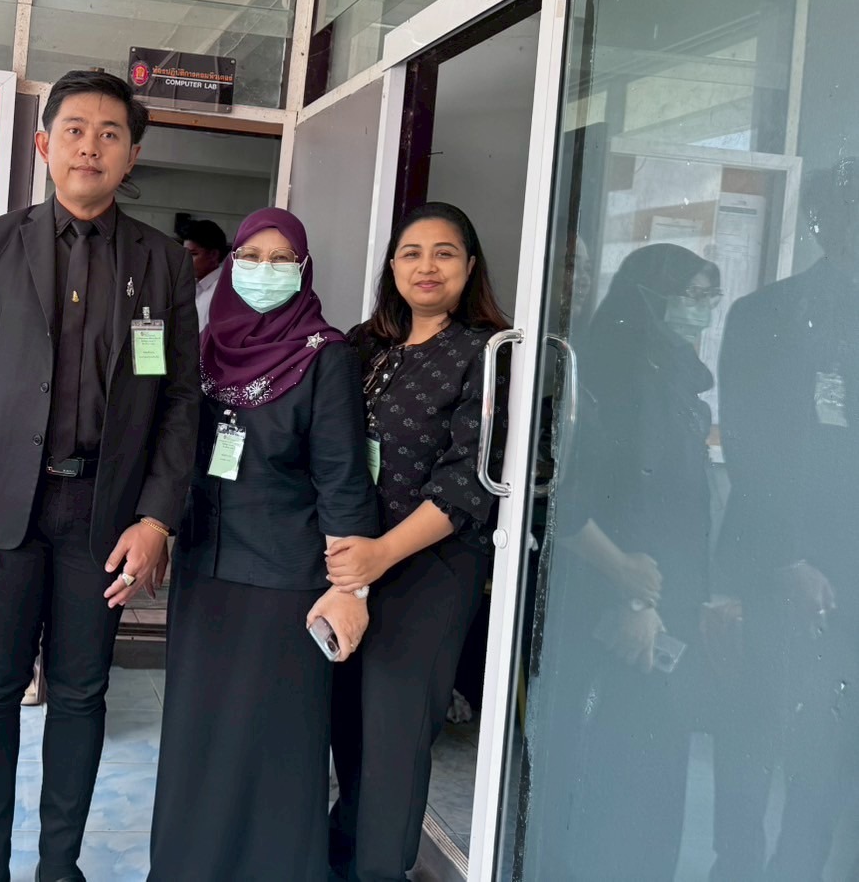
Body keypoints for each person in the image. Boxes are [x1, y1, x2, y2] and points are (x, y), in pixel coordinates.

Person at [0, 68, 200, 882]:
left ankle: (59, 866)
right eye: (74, 130)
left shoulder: (162, 262)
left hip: (104, 515)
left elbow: (179, 399)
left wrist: (156, 519)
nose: (90, 146)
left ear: (131, 155)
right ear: (44, 145)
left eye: (110, 134)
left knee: (81, 694)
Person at [148, 207, 376, 882]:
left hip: (285, 580)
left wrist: (350, 589)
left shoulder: (326, 357)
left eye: (281, 260)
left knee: (273, 743)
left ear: (303, 270)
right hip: (204, 571)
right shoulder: (203, 349)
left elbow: (342, 479)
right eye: (250, 257)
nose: (263, 271)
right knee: (198, 735)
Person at [522, 243, 720, 880]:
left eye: (709, 295)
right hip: (620, 601)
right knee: (613, 768)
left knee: (653, 768)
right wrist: (635, 597)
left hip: (666, 599)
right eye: (691, 294)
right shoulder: (616, 370)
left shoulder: (672, 370)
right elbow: (597, 493)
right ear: (650, 295)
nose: (702, 308)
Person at [325, 201, 508, 882]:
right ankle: (341, 857)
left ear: (470, 265)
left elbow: (469, 480)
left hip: (427, 569)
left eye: (444, 253)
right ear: (392, 267)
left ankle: (379, 870)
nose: (426, 266)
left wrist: (380, 554)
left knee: (395, 742)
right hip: (349, 568)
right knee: (346, 726)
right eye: (411, 252)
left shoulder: (488, 353)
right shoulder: (363, 346)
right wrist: (351, 560)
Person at [713, 160, 859, 881]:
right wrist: (788, 558)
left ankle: (800, 865)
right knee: (756, 721)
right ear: (821, 222)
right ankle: (736, 865)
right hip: (778, 558)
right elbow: (749, 444)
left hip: (851, 561)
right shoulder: (766, 314)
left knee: (834, 736)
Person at [180, 218, 229, 335]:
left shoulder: (224, 291)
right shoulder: (188, 286)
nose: (185, 261)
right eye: (183, 254)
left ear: (213, 255)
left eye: (193, 254)